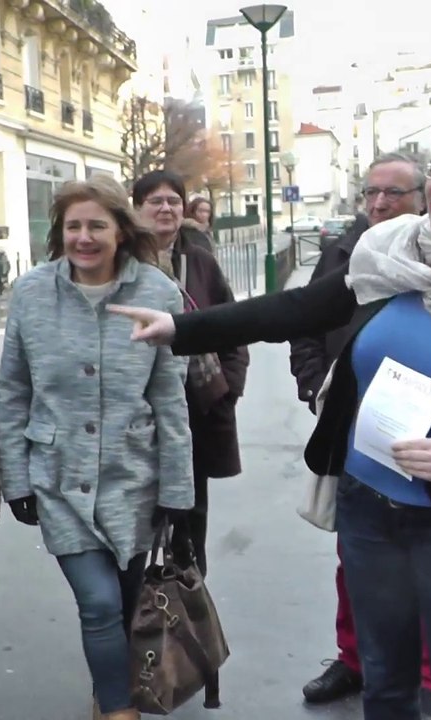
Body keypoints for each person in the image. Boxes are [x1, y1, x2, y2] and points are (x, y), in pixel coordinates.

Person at [111, 114, 431, 720]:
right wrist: (179, 328)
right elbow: (294, 309)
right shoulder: (385, 257)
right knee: (385, 688)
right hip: (367, 510)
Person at [0, 178, 194, 720]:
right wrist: (15, 478)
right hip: (59, 477)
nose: (84, 237)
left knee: (129, 605)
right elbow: (13, 390)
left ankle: (109, 687)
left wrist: (178, 489)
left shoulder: (156, 292)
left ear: (121, 233)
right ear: (59, 233)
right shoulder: (34, 292)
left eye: (96, 226)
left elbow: (169, 398)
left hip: (134, 478)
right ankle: (117, 710)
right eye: (73, 226)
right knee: (100, 604)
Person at [288, 152, 431, 709]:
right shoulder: (343, 254)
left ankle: (425, 674)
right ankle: (353, 659)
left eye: (393, 194)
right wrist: (314, 389)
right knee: (354, 555)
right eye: (371, 193)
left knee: (424, 559)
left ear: (421, 199)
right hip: (352, 432)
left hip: (425, 435)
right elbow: (300, 326)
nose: (378, 203)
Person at [132, 170, 248, 577]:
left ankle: (188, 604)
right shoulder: (123, 263)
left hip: (195, 406)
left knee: (190, 511)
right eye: (155, 201)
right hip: (136, 409)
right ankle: (140, 606)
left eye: (174, 201)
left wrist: (229, 386)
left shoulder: (198, 259)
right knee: (138, 509)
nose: (167, 208)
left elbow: (232, 322)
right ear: (135, 208)